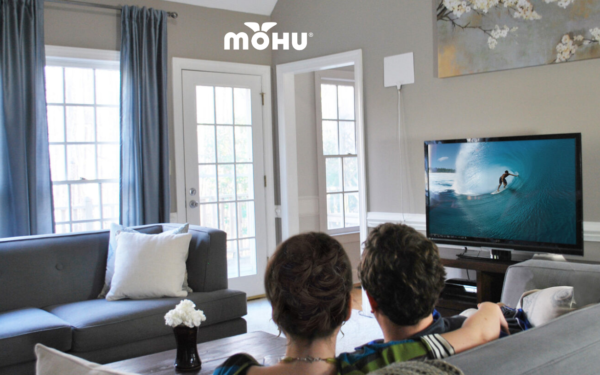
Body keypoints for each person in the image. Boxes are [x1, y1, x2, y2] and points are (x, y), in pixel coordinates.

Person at [214, 232, 508, 375]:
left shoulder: (233, 370)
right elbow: (474, 334)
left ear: (275, 312)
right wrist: (490, 308)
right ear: (346, 309)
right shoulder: (374, 364)